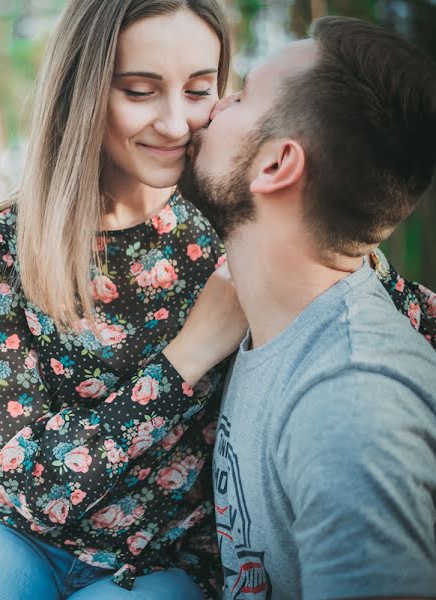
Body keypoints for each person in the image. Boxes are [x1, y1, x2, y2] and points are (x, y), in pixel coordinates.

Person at [0, 1, 436, 598]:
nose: (178, 124)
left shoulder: (235, 216)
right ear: (87, 93)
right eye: (141, 91)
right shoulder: (3, 242)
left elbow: (362, 287)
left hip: (166, 562)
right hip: (18, 530)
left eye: (201, 89)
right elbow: (33, 485)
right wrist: (186, 358)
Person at [177, 16, 436, 599]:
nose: (215, 105)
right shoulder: (282, 335)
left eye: (240, 96)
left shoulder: (348, 402)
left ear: (276, 165)